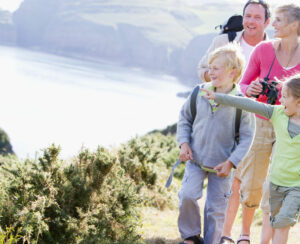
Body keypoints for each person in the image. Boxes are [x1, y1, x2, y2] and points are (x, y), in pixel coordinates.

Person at [201, 73, 300, 244]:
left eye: (284, 97)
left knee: (283, 224)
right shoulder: (277, 114)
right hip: (276, 183)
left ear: (298, 102)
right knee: (277, 224)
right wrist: (218, 97)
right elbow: (247, 104)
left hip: (296, 188)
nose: (280, 101)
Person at [233, 4, 300, 244]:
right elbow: (241, 85)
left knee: (280, 183)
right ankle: (244, 234)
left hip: (293, 128)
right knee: (252, 182)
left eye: (279, 20)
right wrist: (249, 89)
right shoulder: (263, 49)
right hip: (261, 122)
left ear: (294, 25)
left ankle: (269, 240)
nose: (273, 24)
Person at [176, 44, 255, 244]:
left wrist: (231, 162)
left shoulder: (241, 103)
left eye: (216, 68)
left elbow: (247, 136)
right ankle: (191, 237)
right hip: (195, 160)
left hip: (223, 166)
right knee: (187, 195)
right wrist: (184, 143)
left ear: (233, 72)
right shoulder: (198, 92)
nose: (210, 72)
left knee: (216, 209)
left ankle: (212, 241)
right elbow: (185, 119)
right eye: (210, 67)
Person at [198, 0, 270, 82]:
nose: (251, 21)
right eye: (248, 16)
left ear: (267, 22)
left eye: (257, 17)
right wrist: (220, 76)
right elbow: (202, 70)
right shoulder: (223, 41)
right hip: (222, 95)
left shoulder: (275, 51)